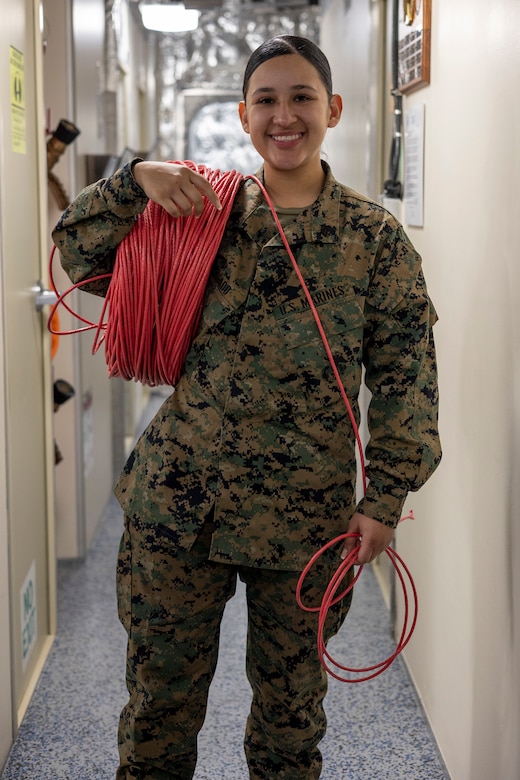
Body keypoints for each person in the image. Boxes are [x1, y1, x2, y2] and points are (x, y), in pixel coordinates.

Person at [53, 34, 441, 780]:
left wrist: (385, 499)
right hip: (179, 507)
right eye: (266, 100)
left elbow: (407, 377)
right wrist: (138, 178)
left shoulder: (373, 240)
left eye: (301, 97)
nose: (284, 115)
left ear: (331, 108)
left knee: (290, 728)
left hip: (305, 520)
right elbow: (79, 251)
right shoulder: (197, 212)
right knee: (157, 716)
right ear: (243, 114)